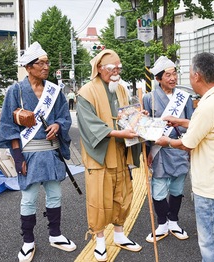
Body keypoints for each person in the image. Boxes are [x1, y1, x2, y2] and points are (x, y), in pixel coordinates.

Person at [155, 52, 214, 262]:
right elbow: (210, 127)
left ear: (197, 76)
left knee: (213, 245)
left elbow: (186, 144)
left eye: (189, 73)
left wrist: (167, 141)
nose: (186, 78)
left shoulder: (207, 106)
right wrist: (182, 122)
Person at [0, 41, 76, 262]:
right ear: (29, 67)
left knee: (55, 194)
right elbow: (9, 128)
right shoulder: (16, 91)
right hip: (29, 153)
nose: (46, 67)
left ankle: (56, 234)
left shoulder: (55, 91)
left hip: (51, 152)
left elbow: (64, 116)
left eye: (48, 62)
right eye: (41, 63)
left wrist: (58, 126)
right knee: (28, 198)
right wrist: (17, 157)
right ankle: (28, 241)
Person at [76, 49, 142, 261]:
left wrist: (138, 117)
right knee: (99, 199)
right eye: (113, 68)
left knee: (122, 196)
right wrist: (117, 132)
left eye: (119, 68)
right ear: (99, 69)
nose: (117, 72)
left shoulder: (121, 89)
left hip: (120, 153)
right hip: (100, 156)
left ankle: (120, 235)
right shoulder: (86, 92)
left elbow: (128, 113)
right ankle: (100, 241)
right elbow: (88, 125)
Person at [143, 56, 194, 243]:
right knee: (158, 188)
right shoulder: (149, 98)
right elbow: (146, 127)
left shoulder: (184, 97)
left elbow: (192, 122)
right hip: (159, 150)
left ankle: (174, 221)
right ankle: (162, 222)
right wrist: (149, 150)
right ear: (158, 78)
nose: (173, 78)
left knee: (177, 188)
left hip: (179, 146)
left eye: (174, 74)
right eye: (168, 75)